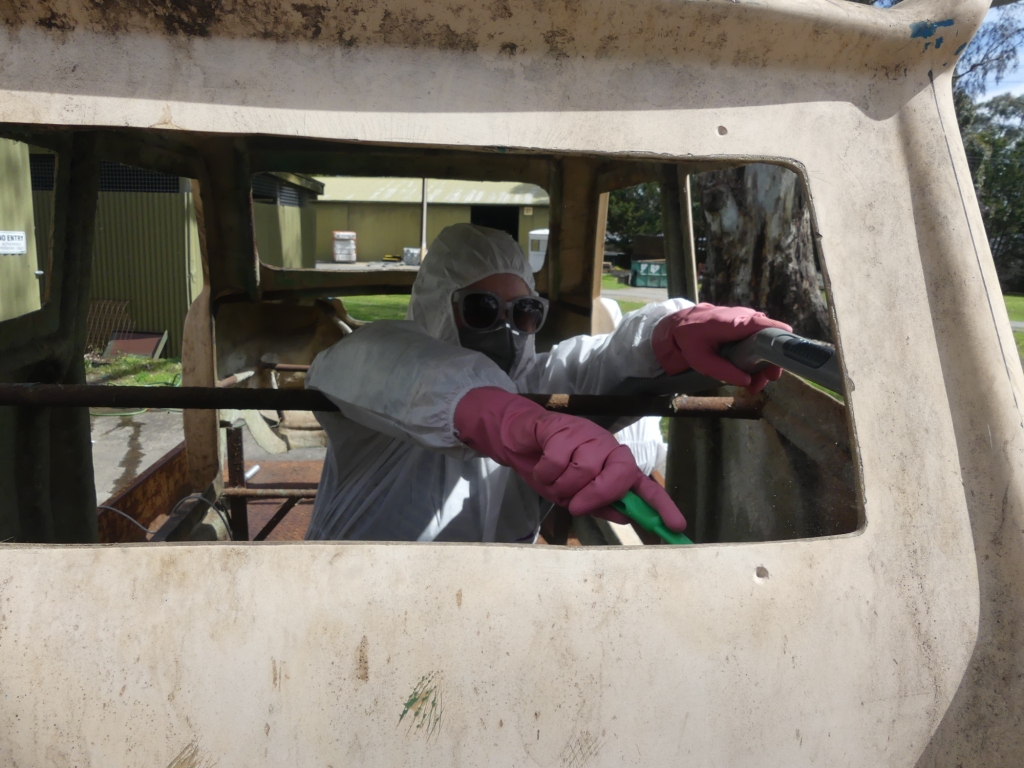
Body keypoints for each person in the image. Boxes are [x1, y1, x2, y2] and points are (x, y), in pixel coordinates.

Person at [304, 223, 789, 543]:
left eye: (524, 311)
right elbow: (391, 368)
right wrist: (505, 419)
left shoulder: (537, 384)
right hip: (355, 603)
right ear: (436, 307)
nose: (506, 326)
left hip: (486, 611)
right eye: (481, 309)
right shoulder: (380, 364)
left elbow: (607, 360)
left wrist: (671, 333)